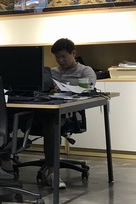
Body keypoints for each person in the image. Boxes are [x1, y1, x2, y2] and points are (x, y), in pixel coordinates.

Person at [35, 38, 97, 188]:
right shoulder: (51, 72)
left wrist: (65, 89)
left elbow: (87, 91)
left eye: (63, 56)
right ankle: (4, 163)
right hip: (46, 110)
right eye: (57, 57)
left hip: (69, 115)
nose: (60, 60)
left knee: (51, 124)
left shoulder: (85, 71)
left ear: (73, 53)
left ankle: (52, 172)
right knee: (14, 116)